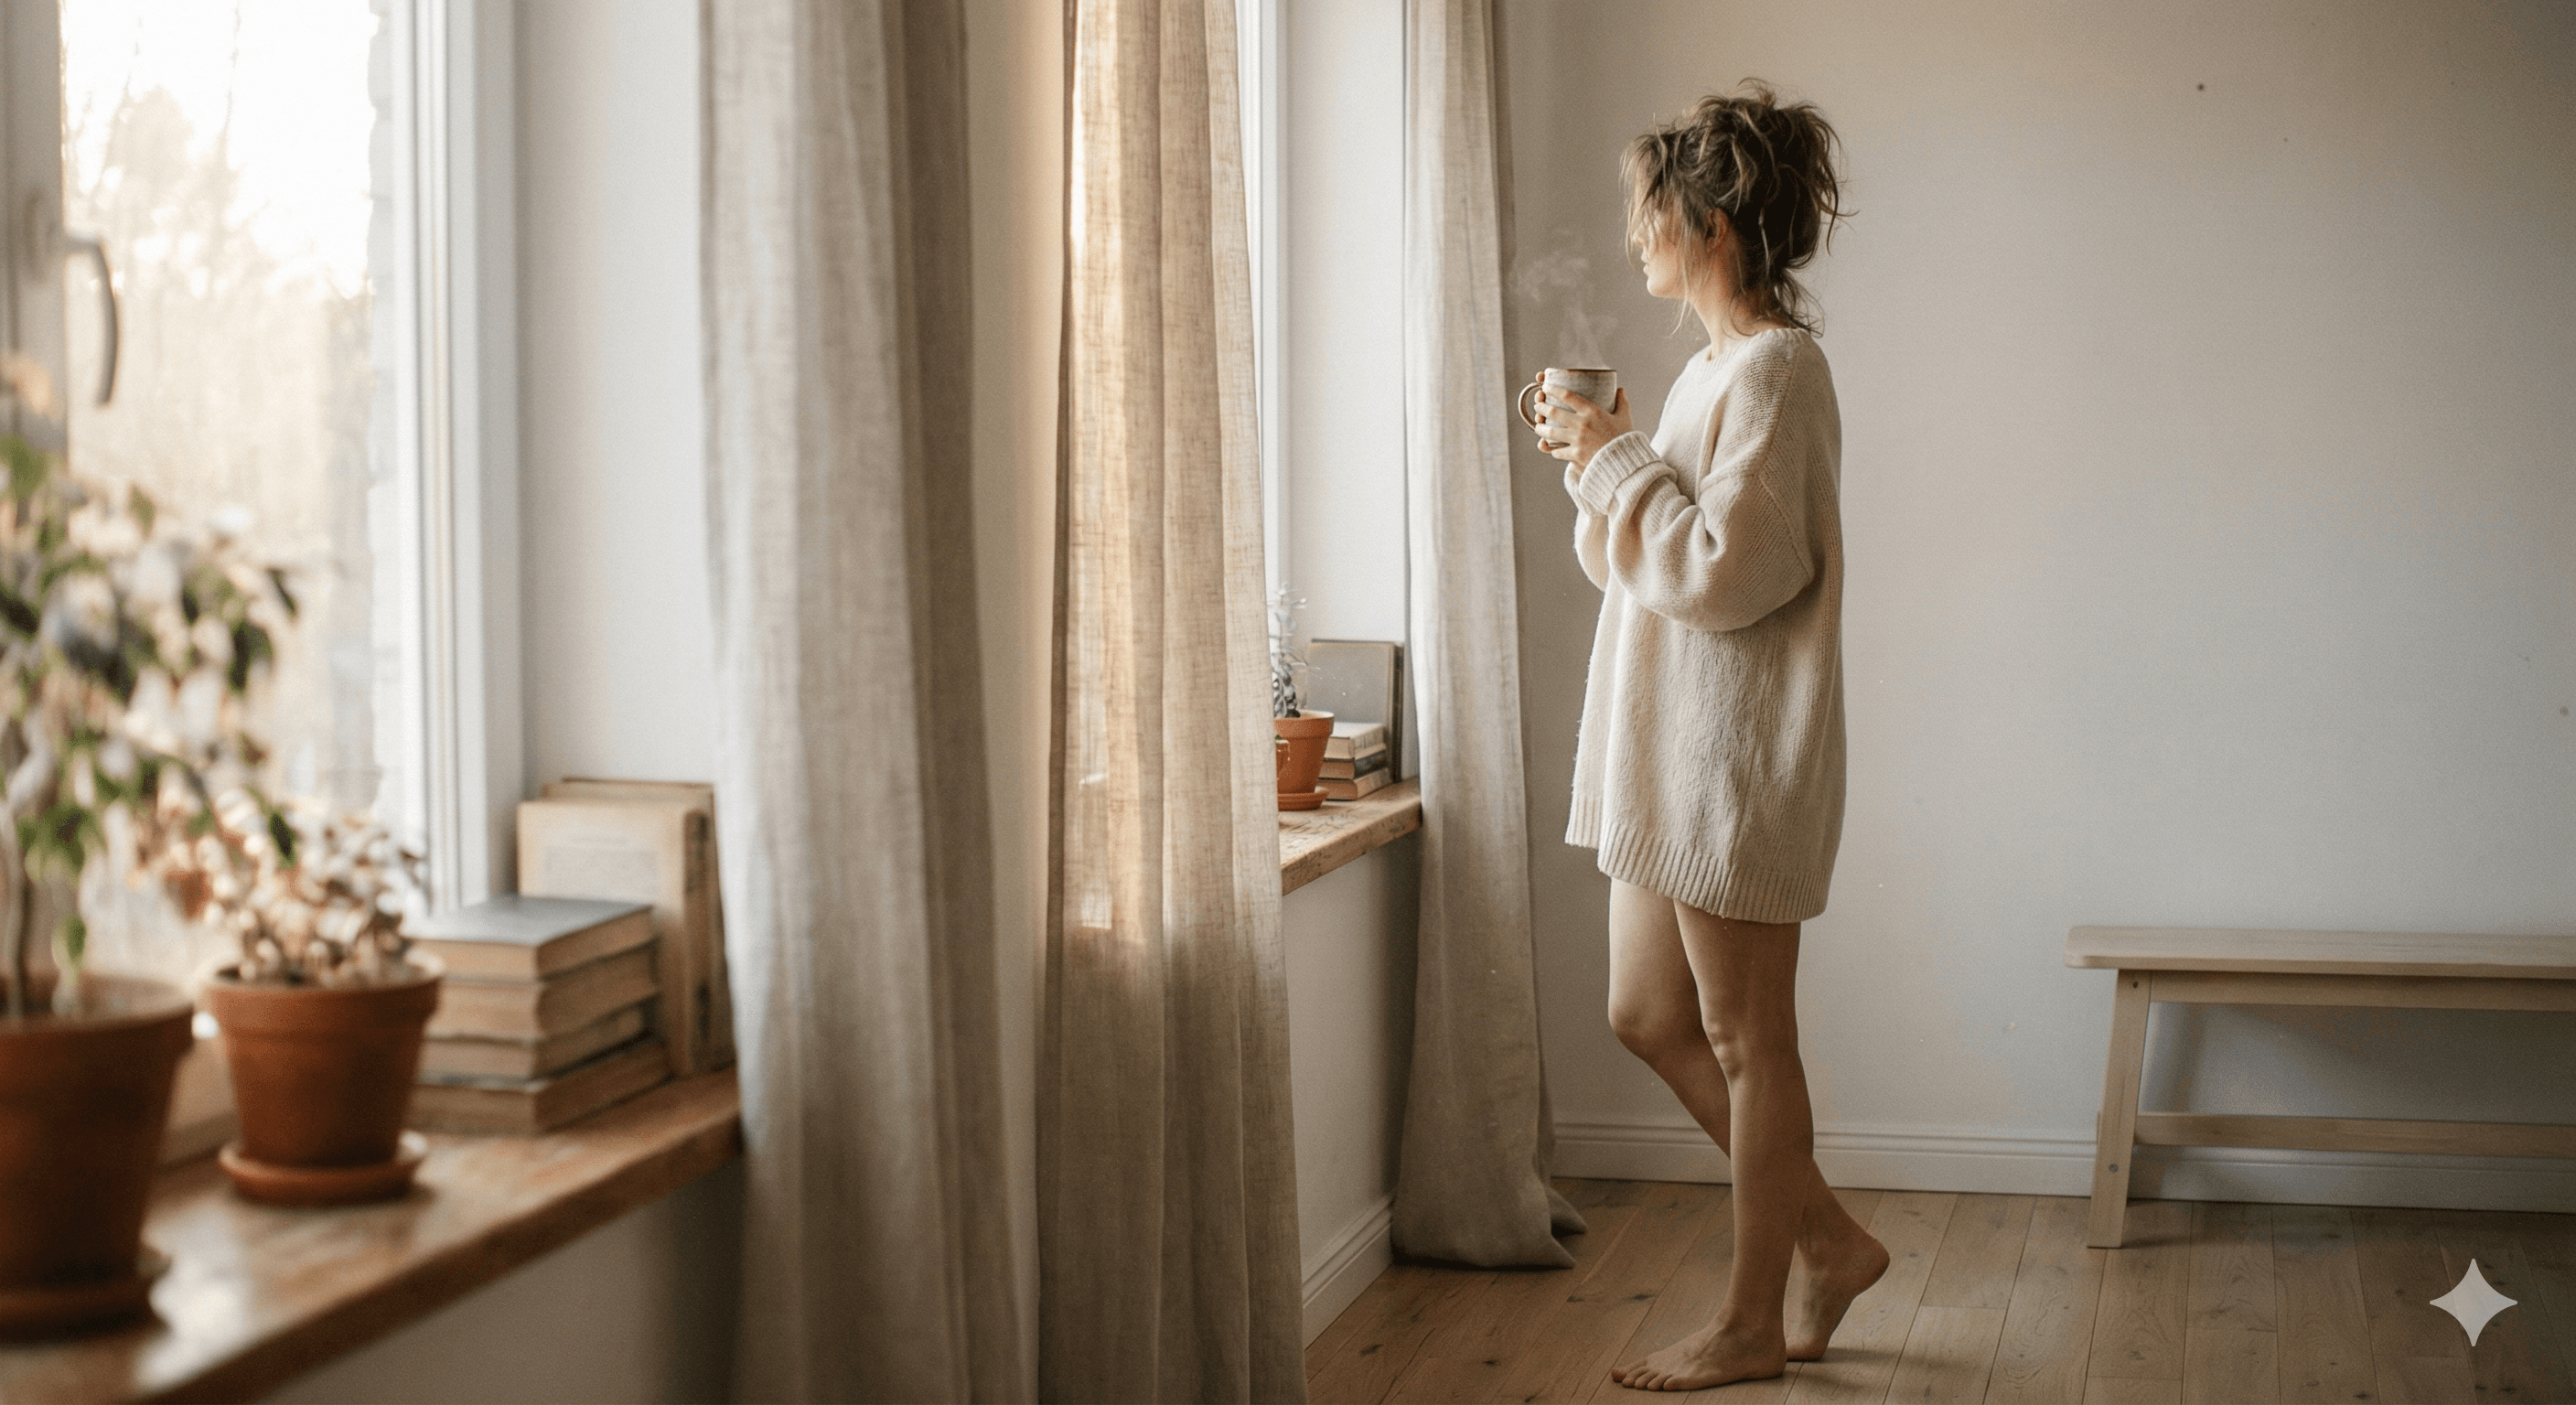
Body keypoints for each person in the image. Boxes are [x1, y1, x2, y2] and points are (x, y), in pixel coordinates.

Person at [1530, 81, 1889, 1393]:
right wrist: (1603, 457)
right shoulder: (1704, 372)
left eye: (1648, 217)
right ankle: (1832, 1240)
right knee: (1642, 1013)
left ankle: (1750, 1321)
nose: (1634, 239)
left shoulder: (1782, 373)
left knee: (1750, 1043)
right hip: (1663, 758)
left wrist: (1623, 464)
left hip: (1732, 766)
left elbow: (1731, 574)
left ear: (1714, 225)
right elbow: (1642, 562)